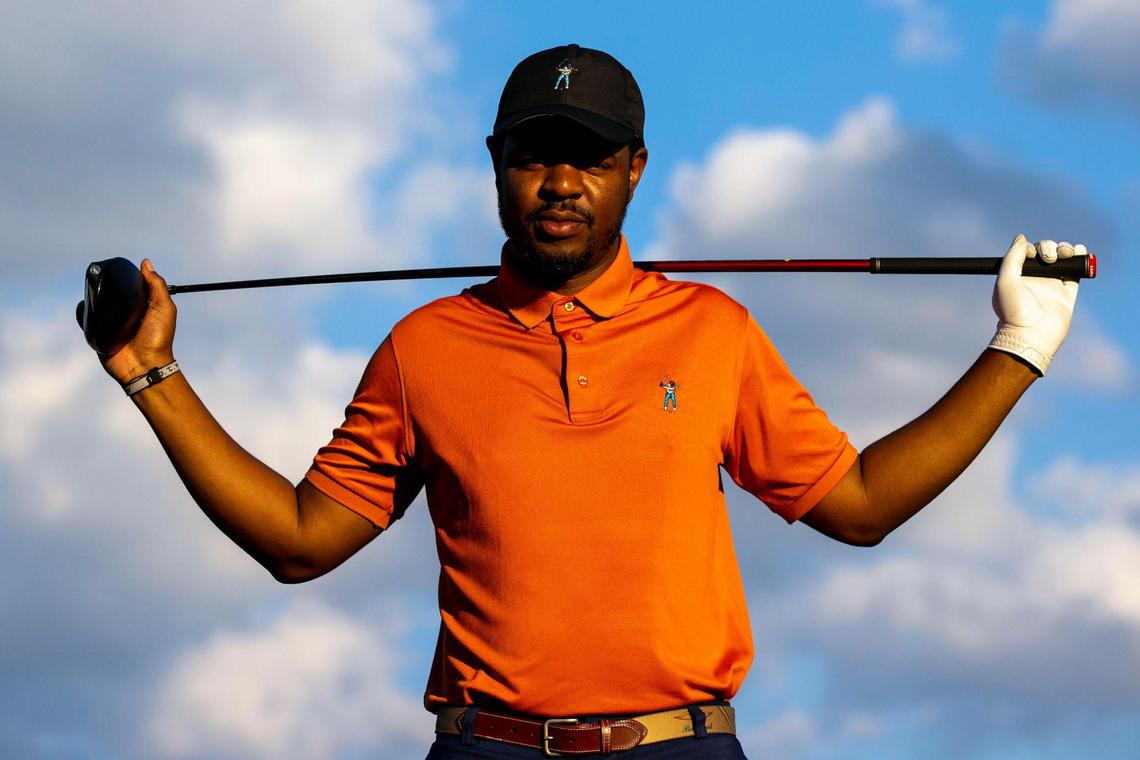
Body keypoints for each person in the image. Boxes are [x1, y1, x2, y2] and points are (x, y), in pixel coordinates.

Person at [98, 44, 1083, 759]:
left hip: (677, 749)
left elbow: (859, 503)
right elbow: (301, 541)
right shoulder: (424, 348)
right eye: (535, 155)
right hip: (485, 748)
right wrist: (154, 376)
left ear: (634, 170)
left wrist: (1020, 343)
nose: (561, 183)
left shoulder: (712, 331)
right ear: (495, 164)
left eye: (592, 156)